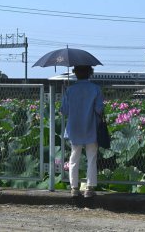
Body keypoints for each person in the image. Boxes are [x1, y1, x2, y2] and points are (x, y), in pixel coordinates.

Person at [61, 65, 104, 198]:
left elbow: (64, 110)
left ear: (75, 73)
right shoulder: (96, 89)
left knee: (74, 157)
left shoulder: (70, 90)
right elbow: (99, 110)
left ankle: (74, 187)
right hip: (91, 126)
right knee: (91, 157)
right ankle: (89, 188)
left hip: (74, 127)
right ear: (90, 73)